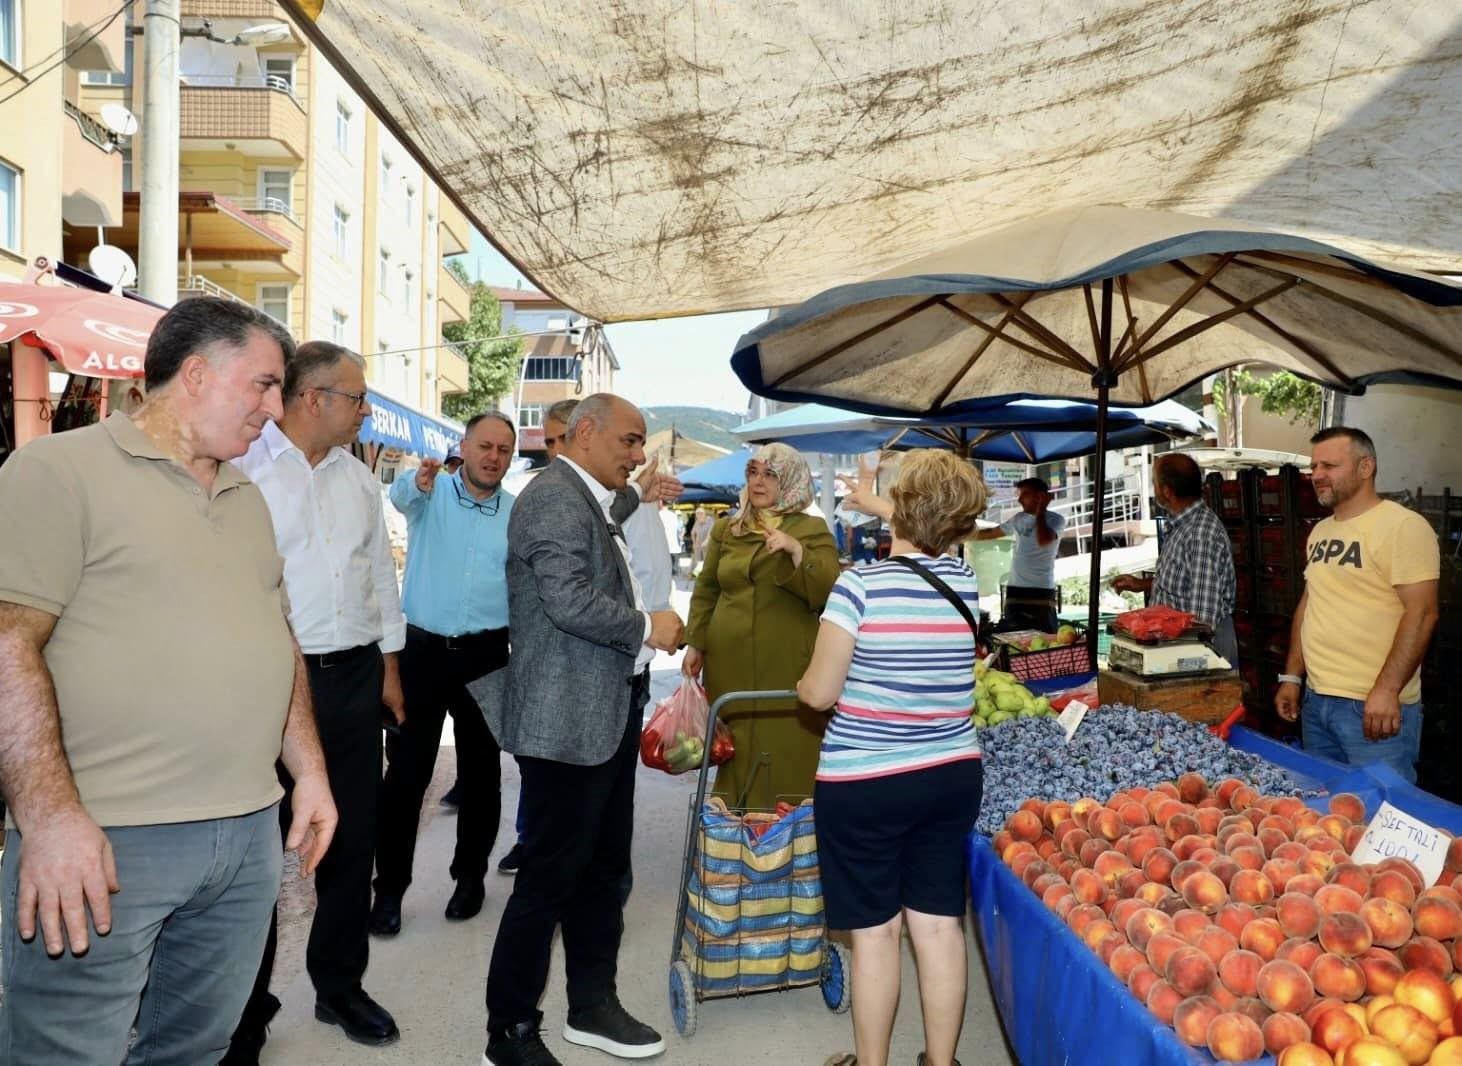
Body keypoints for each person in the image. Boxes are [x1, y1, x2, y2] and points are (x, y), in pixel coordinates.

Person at [0, 297, 336, 1064]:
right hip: (107, 839)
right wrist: (50, 821)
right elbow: (7, 645)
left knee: (197, 1048)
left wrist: (309, 772)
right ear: (195, 373)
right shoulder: (58, 470)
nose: (275, 409)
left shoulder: (247, 498)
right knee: (65, 1051)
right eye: (263, 385)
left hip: (246, 834)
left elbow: (276, 641)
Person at [480, 393, 683, 1066]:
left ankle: (592, 1006)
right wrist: (647, 625)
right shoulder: (551, 497)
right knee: (548, 879)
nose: (637, 453)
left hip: (605, 711)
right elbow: (567, 600)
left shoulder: (585, 494)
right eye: (629, 440)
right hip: (566, 720)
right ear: (586, 433)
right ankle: (507, 1030)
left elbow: (607, 520)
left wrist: (638, 492)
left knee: (602, 873)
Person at [230, 340, 407, 1054]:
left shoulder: (358, 480)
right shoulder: (243, 471)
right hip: (268, 683)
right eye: (357, 398)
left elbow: (379, 581)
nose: (366, 410)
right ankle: (244, 1010)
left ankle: (339, 987)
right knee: (255, 857)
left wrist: (391, 666)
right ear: (314, 399)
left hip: (356, 675)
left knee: (352, 839)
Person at [798, 449, 987, 1066]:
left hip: (866, 783)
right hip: (951, 777)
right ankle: (940, 1060)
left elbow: (820, 692)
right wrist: (888, 501)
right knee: (937, 926)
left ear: (901, 511)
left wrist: (805, 684)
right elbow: (929, 531)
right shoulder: (965, 584)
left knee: (876, 933)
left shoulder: (858, 586)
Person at [369, 412, 516, 938]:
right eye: (484, 445)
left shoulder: (515, 514)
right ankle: (388, 891)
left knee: (482, 775)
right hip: (424, 653)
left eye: (503, 448)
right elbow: (401, 497)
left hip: (488, 655)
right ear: (465, 446)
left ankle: (470, 877)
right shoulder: (431, 493)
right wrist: (416, 480)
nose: (492, 456)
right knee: (406, 776)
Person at [1276, 427, 1440, 782]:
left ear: (1366, 467)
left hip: (1371, 708)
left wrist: (1387, 689)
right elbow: (1310, 603)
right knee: (1329, 814)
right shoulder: (1320, 532)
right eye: (1314, 466)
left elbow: (1423, 612)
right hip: (1317, 702)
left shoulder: (1403, 527)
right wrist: (1292, 675)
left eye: (1330, 465)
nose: (1316, 475)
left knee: (1385, 816)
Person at [682, 443, 840, 809]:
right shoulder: (727, 528)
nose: (757, 482)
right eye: (753, 472)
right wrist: (697, 644)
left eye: (770, 474)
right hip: (728, 664)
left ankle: (789, 843)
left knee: (787, 749)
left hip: (786, 663)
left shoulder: (811, 528)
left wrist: (796, 551)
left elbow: (830, 588)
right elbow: (707, 589)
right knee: (735, 749)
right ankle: (734, 842)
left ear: (790, 481)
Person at [1112, 452, 1238, 664]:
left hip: (1196, 654)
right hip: (1179, 648)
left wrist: (1180, 665)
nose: (1154, 489)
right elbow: (1185, 585)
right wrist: (1143, 584)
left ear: (1167, 491)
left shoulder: (1200, 535)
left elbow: (1201, 620)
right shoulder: (1183, 526)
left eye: (1154, 483)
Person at [973, 477, 1066, 632]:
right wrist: (962, 534)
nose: (1020, 500)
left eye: (1025, 494)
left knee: (1044, 639)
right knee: (1011, 638)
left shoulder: (1056, 520)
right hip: (1016, 590)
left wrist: (1040, 510)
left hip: (1041, 591)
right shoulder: (1019, 519)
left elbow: (1044, 540)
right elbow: (992, 533)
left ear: (1039, 496)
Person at [690, 506, 714, 574]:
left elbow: (710, 533)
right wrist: (694, 543)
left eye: (700, 514)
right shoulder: (697, 521)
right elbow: (692, 532)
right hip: (699, 542)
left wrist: (706, 541)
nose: (698, 516)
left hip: (708, 544)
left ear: (704, 514)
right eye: (697, 515)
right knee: (697, 559)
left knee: (707, 560)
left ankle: (708, 573)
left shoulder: (710, 520)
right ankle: (694, 573)